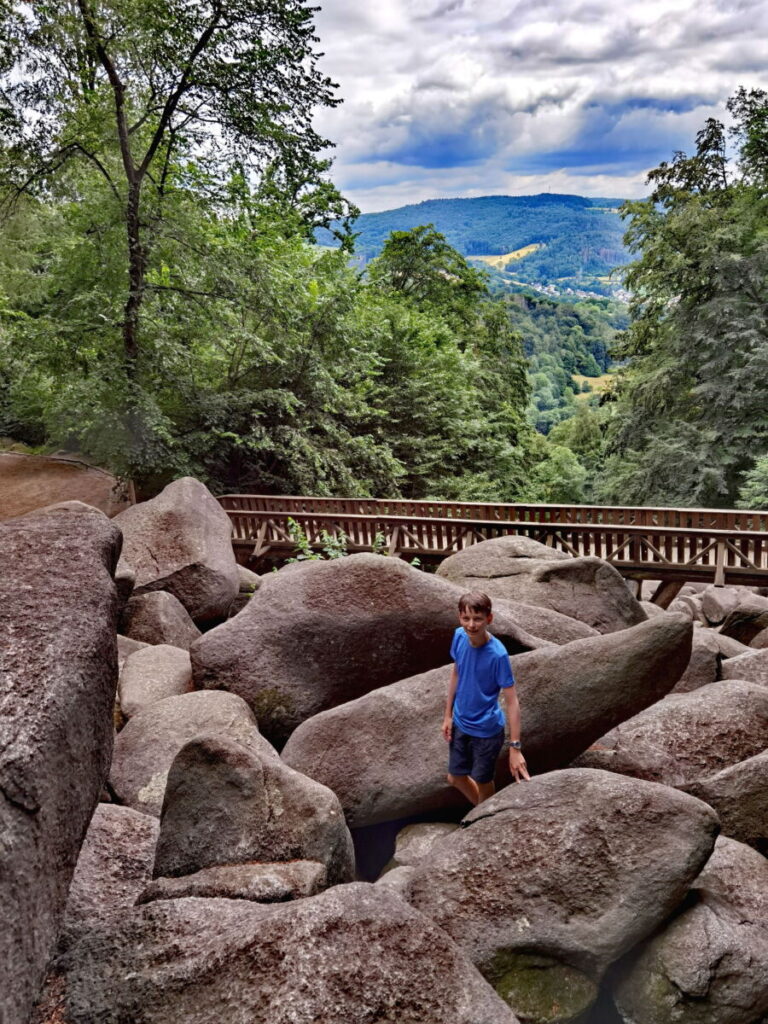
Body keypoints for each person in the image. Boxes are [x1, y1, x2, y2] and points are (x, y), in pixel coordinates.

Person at [442, 590, 529, 805]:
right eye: (466, 618)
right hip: (461, 723)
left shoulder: (497, 655)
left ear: (489, 619)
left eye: (478, 619)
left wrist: (515, 747)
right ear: (459, 617)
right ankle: (482, 813)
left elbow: (512, 701)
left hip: (486, 731)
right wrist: (447, 715)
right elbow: (456, 673)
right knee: (455, 777)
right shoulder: (459, 636)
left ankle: (481, 820)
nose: (471, 625)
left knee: (482, 781)